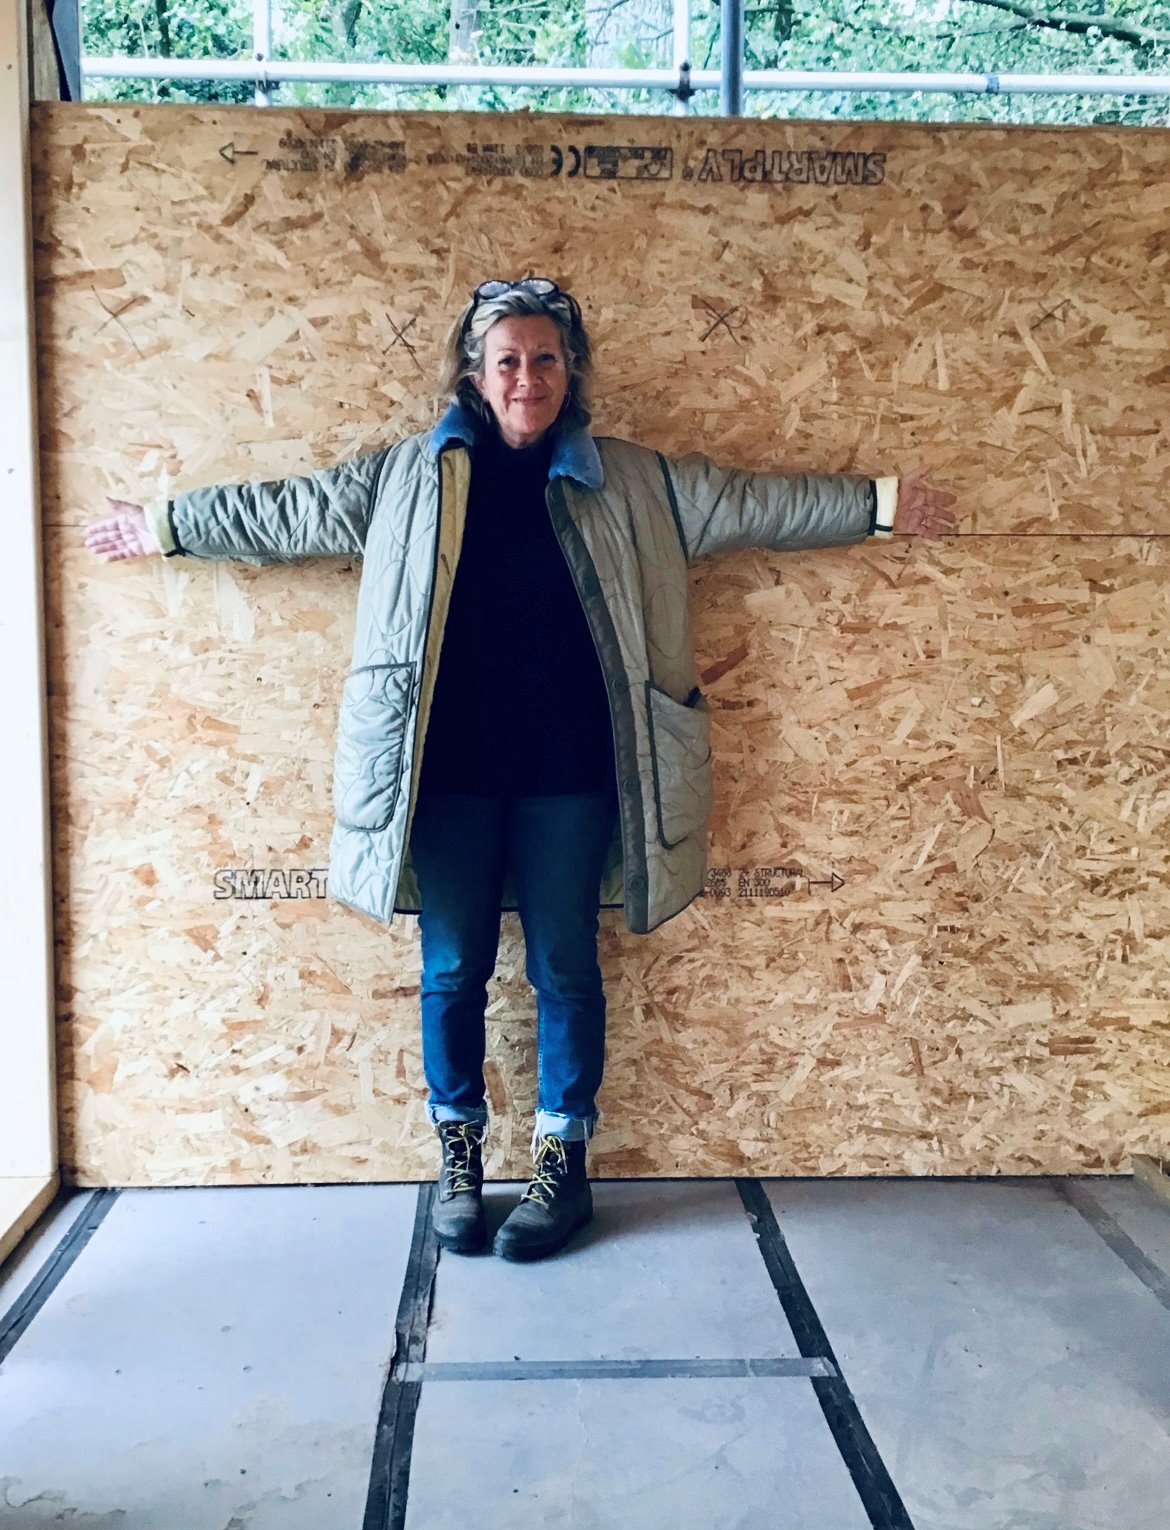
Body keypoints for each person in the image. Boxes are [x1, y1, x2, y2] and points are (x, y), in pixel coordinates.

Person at [86, 277, 956, 1263]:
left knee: (564, 969)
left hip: (571, 776)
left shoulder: (633, 479)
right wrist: (163, 525)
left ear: (568, 372)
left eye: (545, 359)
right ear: (474, 371)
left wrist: (878, 504)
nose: (527, 378)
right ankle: (458, 1161)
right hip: (446, 776)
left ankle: (561, 1168)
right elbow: (288, 510)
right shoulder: (411, 475)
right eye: (508, 359)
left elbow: (755, 497)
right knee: (451, 968)